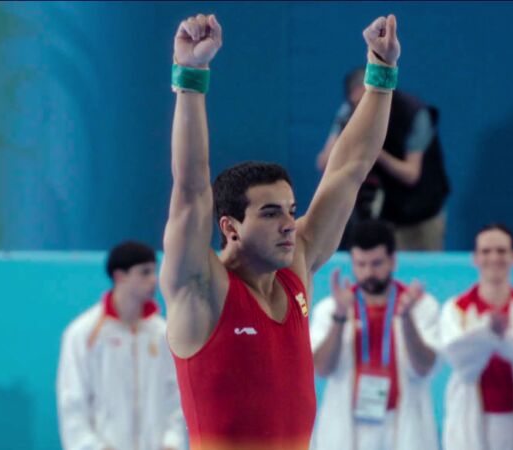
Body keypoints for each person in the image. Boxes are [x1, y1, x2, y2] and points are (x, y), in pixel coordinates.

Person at [161, 13, 401, 450]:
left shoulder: (296, 267)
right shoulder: (200, 288)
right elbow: (191, 188)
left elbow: (349, 168)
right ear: (230, 227)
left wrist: (381, 73)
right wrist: (191, 77)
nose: (290, 224)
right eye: (270, 214)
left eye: (290, 210)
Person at [310, 220, 439, 450]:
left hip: (403, 424)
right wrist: (340, 317)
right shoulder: (331, 308)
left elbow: (424, 368)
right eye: (361, 264)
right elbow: (322, 369)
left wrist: (406, 318)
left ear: (392, 261)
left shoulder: (421, 306)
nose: (368, 272)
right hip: (349, 427)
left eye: (377, 263)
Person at [439, 224, 513, 450]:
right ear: (475, 258)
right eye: (486, 251)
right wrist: (491, 332)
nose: (494, 258)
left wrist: (499, 336)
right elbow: (459, 360)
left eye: (502, 251)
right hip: (472, 419)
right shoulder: (455, 309)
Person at [56, 241, 185, 450]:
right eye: (144, 272)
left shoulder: (163, 333)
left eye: (154, 271)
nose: (154, 279)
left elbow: (176, 396)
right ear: (119, 276)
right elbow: (72, 402)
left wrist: (172, 442)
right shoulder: (83, 334)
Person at [316, 69, 450, 251]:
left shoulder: (413, 113)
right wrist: (345, 139)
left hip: (422, 214)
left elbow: (411, 174)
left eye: (366, 101)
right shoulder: (348, 111)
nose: (362, 110)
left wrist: (376, 151)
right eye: (356, 104)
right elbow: (324, 163)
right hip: (384, 215)